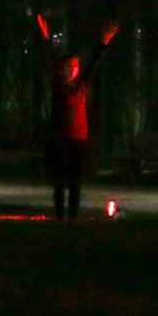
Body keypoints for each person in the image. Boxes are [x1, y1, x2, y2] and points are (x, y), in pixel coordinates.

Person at [34, 14, 120, 223]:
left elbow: (93, 64)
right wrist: (46, 38)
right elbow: (52, 58)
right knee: (60, 183)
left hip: (79, 138)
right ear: (63, 68)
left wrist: (103, 43)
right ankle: (60, 217)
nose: (73, 68)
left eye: (75, 66)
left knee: (75, 183)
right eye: (69, 65)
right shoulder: (59, 85)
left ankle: (71, 218)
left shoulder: (82, 85)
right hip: (60, 138)